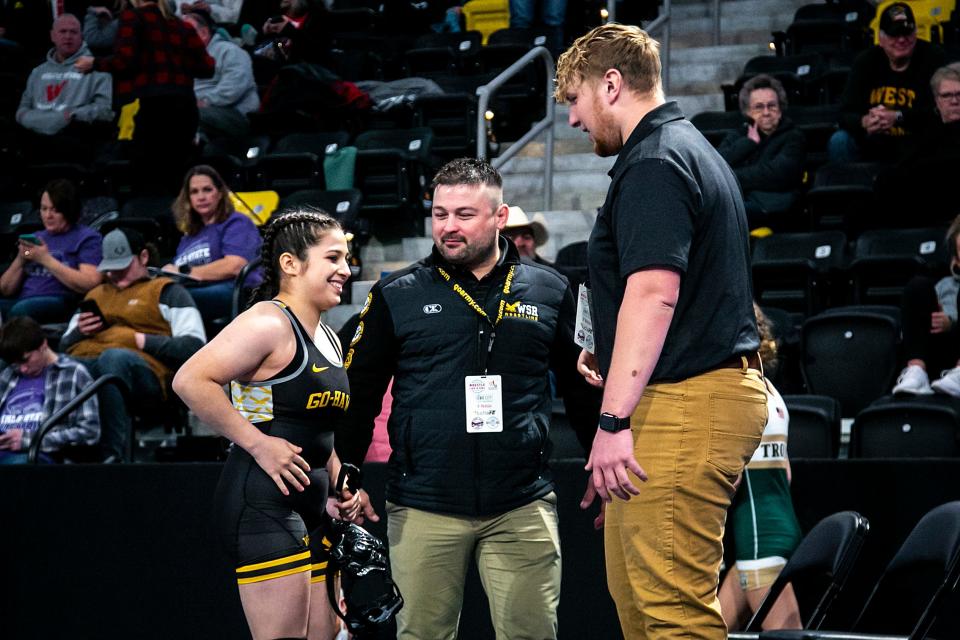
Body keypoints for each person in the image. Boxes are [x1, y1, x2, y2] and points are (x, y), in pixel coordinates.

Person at [555, 23, 767, 639]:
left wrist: (613, 423)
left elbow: (655, 292)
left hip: (686, 401)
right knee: (639, 602)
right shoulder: (675, 150)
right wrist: (615, 358)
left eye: (574, 98)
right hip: (676, 398)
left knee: (671, 614)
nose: (572, 119)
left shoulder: (655, 160)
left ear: (611, 84)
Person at [336, 157, 599, 640]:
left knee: (533, 635)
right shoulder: (397, 293)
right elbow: (360, 393)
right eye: (440, 215)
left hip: (521, 503)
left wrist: (600, 460)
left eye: (464, 215)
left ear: (499, 218)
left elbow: (584, 389)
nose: (448, 228)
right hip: (423, 505)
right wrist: (345, 472)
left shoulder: (552, 289)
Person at [172, 210, 369, 640]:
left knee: (329, 634)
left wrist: (340, 484)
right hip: (264, 504)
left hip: (314, 506)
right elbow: (189, 380)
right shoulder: (267, 322)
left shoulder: (329, 336)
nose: (345, 269)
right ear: (291, 264)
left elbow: (318, 429)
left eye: (346, 258)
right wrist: (260, 445)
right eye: (333, 258)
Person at [60, 227, 206, 461]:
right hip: (89, 362)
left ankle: (113, 455)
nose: (115, 275)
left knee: (113, 359)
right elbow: (62, 347)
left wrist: (140, 340)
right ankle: (58, 449)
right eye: (110, 268)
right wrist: (79, 332)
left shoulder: (167, 291)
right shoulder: (94, 295)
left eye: (123, 266)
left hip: (146, 373)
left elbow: (194, 347)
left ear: (143, 257)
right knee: (60, 364)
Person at [718, 304, 802, 632]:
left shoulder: (737, 393)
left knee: (787, 638)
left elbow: (732, 480)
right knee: (711, 631)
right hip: (779, 526)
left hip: (757, 537)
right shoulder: (771, 391)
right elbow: (786, 472)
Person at [75, 0, 215, 192]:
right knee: (179, 177)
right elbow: (207, 68)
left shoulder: (132, 18)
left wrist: (95, 63)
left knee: (149, 180)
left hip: (149, 110)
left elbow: (125, 61)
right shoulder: (182, 26)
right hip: (184, 109)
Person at [829, 2, 946, 163]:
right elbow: (844, 112)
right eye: (895, 34)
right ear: (881, 38)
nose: (902, 39)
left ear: (916, 32)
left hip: (918, 139)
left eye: (907, 33)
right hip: (876, 140)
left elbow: (940, 111)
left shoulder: (934, 58)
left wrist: (898, 117)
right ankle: (851, 187)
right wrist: (865, 121)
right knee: (840, 141)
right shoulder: (865, 61)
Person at [162, 165, 262, 322]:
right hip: (196, 290)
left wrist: (185, 272)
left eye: (207, 190)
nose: (201, 197)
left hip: (236, 290)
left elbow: (235, 265)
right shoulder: (189, 236)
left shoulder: (237, 222)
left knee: (171, 301)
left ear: (220, 193)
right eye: (194, 192)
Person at [15, 13, 114, 163]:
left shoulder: (97, 69)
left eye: (73, 32)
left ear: (81, 36)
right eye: (63, 31)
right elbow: (22, 110)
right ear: (52, 36)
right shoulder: (37, 72)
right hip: (35, 142)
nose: (68, 36)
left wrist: (72, 115)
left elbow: (105, 111)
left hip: (76, 141)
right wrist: (55, 120)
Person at [0, 179, 103, 323]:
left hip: (60, 300)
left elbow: (90, 282)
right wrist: (21, 259)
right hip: (23, 299)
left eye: (55, 210)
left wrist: (45, 259)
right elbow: (5, 289)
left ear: (69, 210)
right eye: (44, 209)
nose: (48, 216)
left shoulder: (87, 238)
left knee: (22, 310)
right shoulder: (36, 238)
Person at [0, 316, 99, 464]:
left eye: (26, 360)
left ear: (43, 345)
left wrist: (28, 439)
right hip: (4, 452)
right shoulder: (9, 374)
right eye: (16, 363)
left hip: (42, 456)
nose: (22, 368)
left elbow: (90, 432)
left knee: (18, 465)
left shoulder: (73, 373)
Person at [718, 74, 805, 230]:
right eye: (758, 107)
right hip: (740, 202)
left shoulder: (793, 136)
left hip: (773, 207)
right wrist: (748, 143)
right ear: (748, 111)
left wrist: (732, 177)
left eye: (772, 106)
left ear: (780, 109)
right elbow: (716, 166)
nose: (766, 112)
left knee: (722, 213)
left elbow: (779, 174)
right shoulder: (739, 135)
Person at [892, 215, 960, 396]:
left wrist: (952, 322)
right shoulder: (946, 285)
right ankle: (917, 373)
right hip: (946, 350)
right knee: (918, 286)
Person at [182, 9, 259, 141]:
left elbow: (233, 88)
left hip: (234, 115)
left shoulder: (229, 51)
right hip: (198, 111)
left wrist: (204, 101)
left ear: (204, 33)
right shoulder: (184, 60)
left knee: (183, 115)